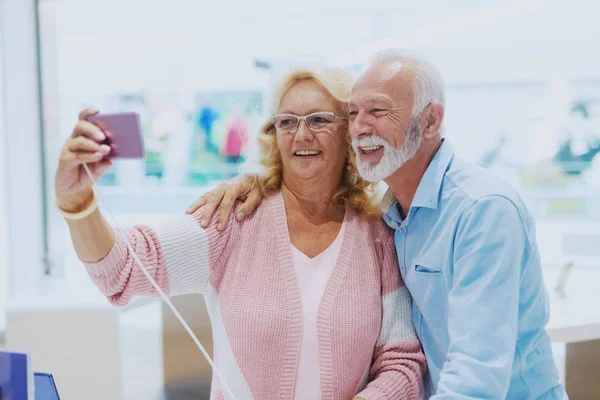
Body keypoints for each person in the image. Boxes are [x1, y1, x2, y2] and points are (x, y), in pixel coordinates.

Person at [189, 49, 567, 399]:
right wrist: (258, 181)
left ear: (431, 119)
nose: (358, 128)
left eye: (378, 111)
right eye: (352, 114)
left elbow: (477, 375)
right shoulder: (390, 214)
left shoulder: (483, 211)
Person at [54, 67, 427, 399]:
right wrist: (76, 202)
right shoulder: (234, 219)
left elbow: (402, 363)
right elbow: (126, 267)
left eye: (318, 120)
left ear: (348, 133)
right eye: (287, 122)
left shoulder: (378, 234)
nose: (301, 134)